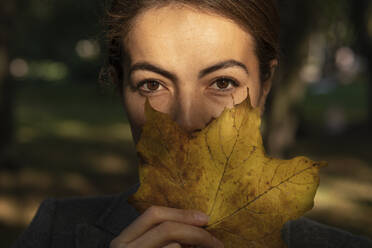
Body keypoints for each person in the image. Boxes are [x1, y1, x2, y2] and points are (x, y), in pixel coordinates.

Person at [11, 0, 372, 247]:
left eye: (222, 82)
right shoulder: (54, 232)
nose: (186, 119)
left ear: (264, 89)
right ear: (121, 89)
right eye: (152, 84)